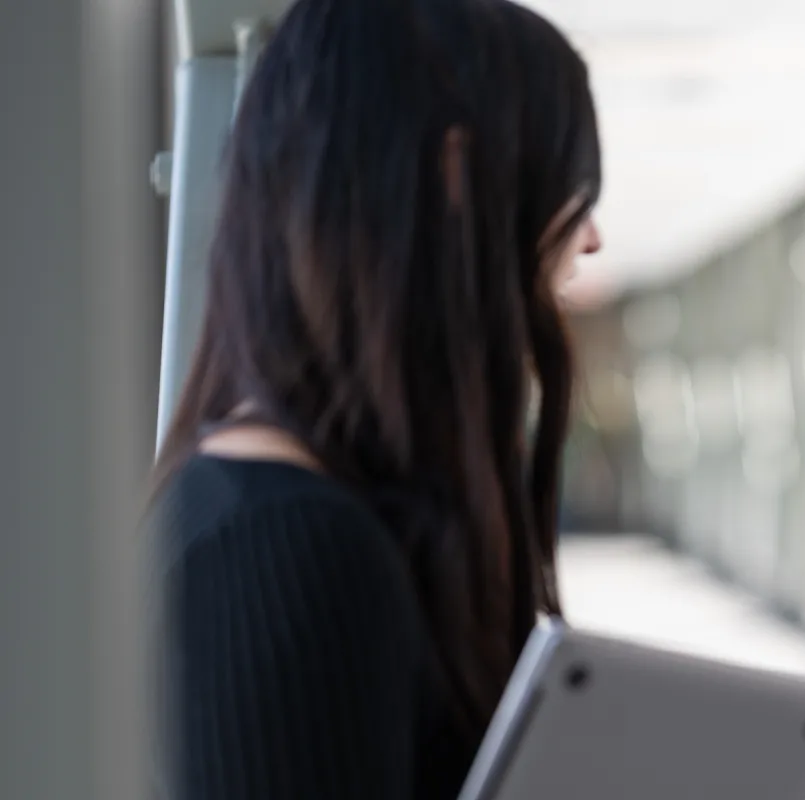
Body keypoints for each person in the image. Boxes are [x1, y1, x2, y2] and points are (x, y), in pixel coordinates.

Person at [149, 0, 603, 796]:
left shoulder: (258, 510)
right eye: (570, 185)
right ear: (456, 176)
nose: (590, 236)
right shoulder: (286, 547)